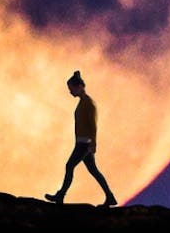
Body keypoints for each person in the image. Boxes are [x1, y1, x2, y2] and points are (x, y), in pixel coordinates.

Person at [45, 70, 117, 206]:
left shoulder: (88, 103)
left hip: (85, 144)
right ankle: (110, 197)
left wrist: (93, 143)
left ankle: (60, 196)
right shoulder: (82, 103)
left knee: (69, 166)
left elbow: (93, 124)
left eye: (71, 88)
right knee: (93, 170)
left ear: (79, 86)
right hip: (82, 142)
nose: (70, 91)